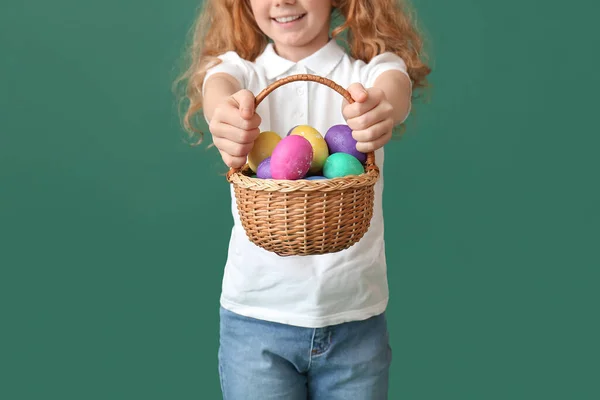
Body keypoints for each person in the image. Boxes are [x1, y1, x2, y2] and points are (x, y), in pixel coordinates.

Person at [175, 0, 430, 398]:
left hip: (355, 320)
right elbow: (218, 83)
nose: (282, 1)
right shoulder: (245, 73)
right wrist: (224, 115)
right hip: (256, 321)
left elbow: (393, 87)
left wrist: (379, 109)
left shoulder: (365, 76)